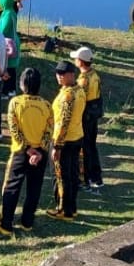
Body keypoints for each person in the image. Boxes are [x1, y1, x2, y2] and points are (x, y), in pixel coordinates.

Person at [0, 67, 51, 237]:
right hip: (40, 153)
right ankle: (27, 222)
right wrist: (39, 152)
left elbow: (14, 129)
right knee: (34, 188)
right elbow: (49, 130)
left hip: (21, 152)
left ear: (23, 84)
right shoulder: (46, 105)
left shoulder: (15, 103)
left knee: (11, 187)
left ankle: (6, 223)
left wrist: (28, 150)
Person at [46, 59, 85, 221]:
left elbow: (63, 121)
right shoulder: (79, 90)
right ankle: (72, 208)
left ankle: (63, 209)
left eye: (63, 73)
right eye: (57, 73)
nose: (59, 76)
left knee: (61, 176)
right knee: (72, 174)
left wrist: (57, 146)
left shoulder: (68, 95)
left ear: (71, 74)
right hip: (76, 136)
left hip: (65, 140)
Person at [71, 47, 104, 191]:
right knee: (91, 146)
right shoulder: (95, 75)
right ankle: (97, 177)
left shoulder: (83, 79)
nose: (74, 61)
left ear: (81, 62)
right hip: (94, 113)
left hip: (85, 115)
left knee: (84, 148)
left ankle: (87, 179)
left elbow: (79, 98)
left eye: (76, 59)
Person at [0, 0, 22, 96]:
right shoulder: (11, 12)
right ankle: (10, 90)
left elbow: (3, 29)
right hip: (12, 40)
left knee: (9, 68)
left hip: (8, 44)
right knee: (10, 67)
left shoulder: (7, 14)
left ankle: (9, 90)